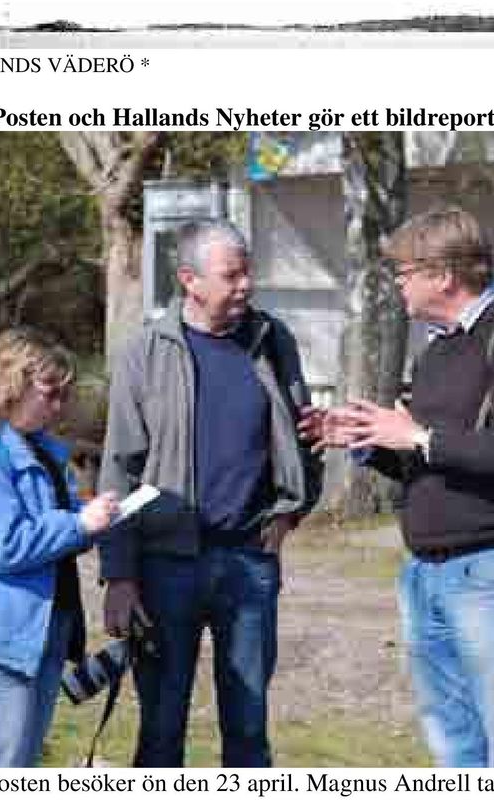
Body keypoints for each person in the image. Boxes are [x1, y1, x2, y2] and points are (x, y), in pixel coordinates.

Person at [311, 206, 494, 768]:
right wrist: (368, 440)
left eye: (404, 272)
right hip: (425, 576)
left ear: (443, 275)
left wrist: (417, 435)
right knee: (453, 750)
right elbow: (428, 460)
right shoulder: (440, 347)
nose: (397, 284)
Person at [98, 218, 323, 768]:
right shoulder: (145, 352)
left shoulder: (273, 341)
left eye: (249, 272)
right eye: (233, 275)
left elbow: (304, 434)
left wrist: (295, 509)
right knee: (160, 730)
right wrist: (120, 576)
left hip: (249, 562)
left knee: (248, 730)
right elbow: (120, 470)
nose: (246, 285)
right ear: (189, 280)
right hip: (165, 566)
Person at [0, 328, 120, 767]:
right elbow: (2, 545)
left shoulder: (39, 454)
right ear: (9, 384)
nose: (59, 406)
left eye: (65, 395)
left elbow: (45, 524)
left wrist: (96, 516)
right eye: (50, 393)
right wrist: (77, 523)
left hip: (37, 641)